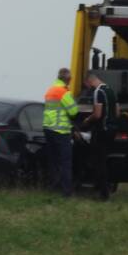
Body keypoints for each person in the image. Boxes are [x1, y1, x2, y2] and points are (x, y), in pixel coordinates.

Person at [79, 72, 119, 201]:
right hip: (112, 130)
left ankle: (103, 193)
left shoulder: (98, 92)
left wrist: (87, 120)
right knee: (105, 160)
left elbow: (97, 114)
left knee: (98, 162)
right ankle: (106, 188)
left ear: (89, 81)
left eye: (87, 85)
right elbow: (117, 112)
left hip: (102, 130)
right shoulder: (111, 90)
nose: (88, 88)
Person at [43, 68, 79, 197]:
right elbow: (74, 111)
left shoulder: (50, 90)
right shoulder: (64, 92)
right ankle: (66, 192)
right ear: (68, 79)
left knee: (53, 161)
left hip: (48, 129)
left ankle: (53, 187)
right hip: (61, 131)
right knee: (65, 162)